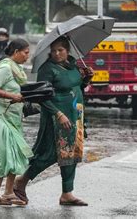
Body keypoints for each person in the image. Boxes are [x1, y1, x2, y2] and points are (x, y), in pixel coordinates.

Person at [13, 36, 92, 206]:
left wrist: (86, 79)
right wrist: (58, 114)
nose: (56, 54)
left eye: (60, 50)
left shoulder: (73, 66)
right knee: (51, 154)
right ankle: (22, 180)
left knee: (72, 154)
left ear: (67, 51)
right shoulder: (47, 69)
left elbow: (76, 87)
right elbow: (42, 96)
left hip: (74, 115)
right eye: (54, 51)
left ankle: (67, 193)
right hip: (56, 118)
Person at [0, 38, 33, 206]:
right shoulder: (5, 68)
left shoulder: (17, 69)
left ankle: (7, 193)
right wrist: (11, 96)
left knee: (15, 153)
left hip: (12, 117)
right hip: (0, 116)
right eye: (26, 53)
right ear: (16, 52)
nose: (28, 56)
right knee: (6, 155)